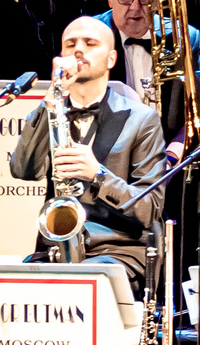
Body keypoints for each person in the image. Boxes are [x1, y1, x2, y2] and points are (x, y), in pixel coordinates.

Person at [9, 16, 167, 282]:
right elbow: (23, 170)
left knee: (86, 281)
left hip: (118, 250)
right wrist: (50, 100)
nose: (78, 49)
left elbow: (150, 208)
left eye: (90, 43)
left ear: (111, 59)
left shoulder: (142, 119)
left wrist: (99, 174)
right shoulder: (49, 111)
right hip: (55, 250)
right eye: (70, 45)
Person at [95, 0, 200, 159]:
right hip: (104, 159)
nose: (135, 8)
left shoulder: (185, 38)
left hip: (166, 158)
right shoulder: (90, 37)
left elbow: (194, 114)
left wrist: (171, 159)